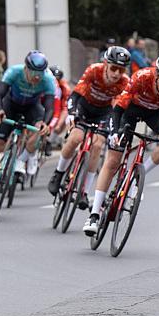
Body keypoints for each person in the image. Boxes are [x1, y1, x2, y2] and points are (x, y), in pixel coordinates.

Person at [82, 52, 159, 235]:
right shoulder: (141, 77)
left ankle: (137, 177)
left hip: (155, 112)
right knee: (114, 159)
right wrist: (115, 132)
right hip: (129, 111)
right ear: (157, 74)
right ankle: (94, 214)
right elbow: (117, 109)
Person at [47, 47, 131, 209]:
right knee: (75, 138)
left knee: (97, 146)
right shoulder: (94, 70)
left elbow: (121, 108)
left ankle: (83, 190)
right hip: (84, 107)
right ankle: (58, 174)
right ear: (105, 64)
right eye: (113, 68)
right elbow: (75, 95)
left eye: (121, 70)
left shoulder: (124, 82)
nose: (116, 74)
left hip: (104, 113)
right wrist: (71, 113)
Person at [0, 51, 56, 205]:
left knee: (39, 132)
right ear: (26, 68)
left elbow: (49, 107)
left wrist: (45, 123)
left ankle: (21, 160)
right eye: (33, 72)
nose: (37, 77)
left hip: (32, 107)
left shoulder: (48, 79)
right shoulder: (14, 72)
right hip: (10, 105)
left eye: (40, 73)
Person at [47, 65, 72, 149]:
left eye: (57, 80)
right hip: (47, 105)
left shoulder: (64, 88)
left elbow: (65, 109)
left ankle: (50, 141)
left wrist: (59, 124)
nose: (54, 83)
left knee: (66, 120)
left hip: (58, 108)